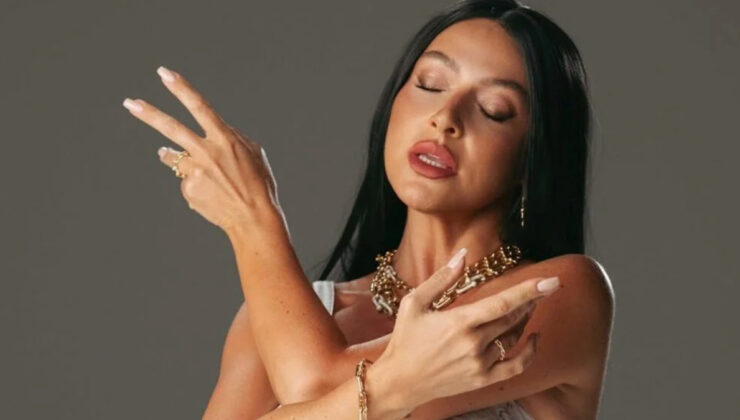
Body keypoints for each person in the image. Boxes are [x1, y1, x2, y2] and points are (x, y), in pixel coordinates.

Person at [122, 0, 615, 418]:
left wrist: (254, 221)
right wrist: (400, 384)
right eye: (430, 84)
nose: (445, 117)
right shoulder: (272, 321)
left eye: (494, 110)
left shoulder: (554, 293)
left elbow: (312, 386)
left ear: (534, 158)